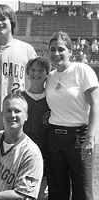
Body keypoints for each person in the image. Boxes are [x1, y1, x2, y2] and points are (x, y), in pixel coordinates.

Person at [45, 31, 99, 200]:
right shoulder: (51, 77)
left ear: (70, 51)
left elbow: (95, 104)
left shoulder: (82, 70)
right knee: (57, 189)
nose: (56, 53)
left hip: (78, 137)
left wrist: (90, 137)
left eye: (61, 49)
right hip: (54, 138)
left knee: (82, 190)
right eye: (52, 50)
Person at [22, 56, 51, 199]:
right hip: (23, 157)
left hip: (45, 157)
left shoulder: (52, 98)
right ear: (27, 72)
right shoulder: (20, 98)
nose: (36, 73)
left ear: (47, 73)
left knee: (42, 194)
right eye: (33, 70)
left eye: (41, 70)